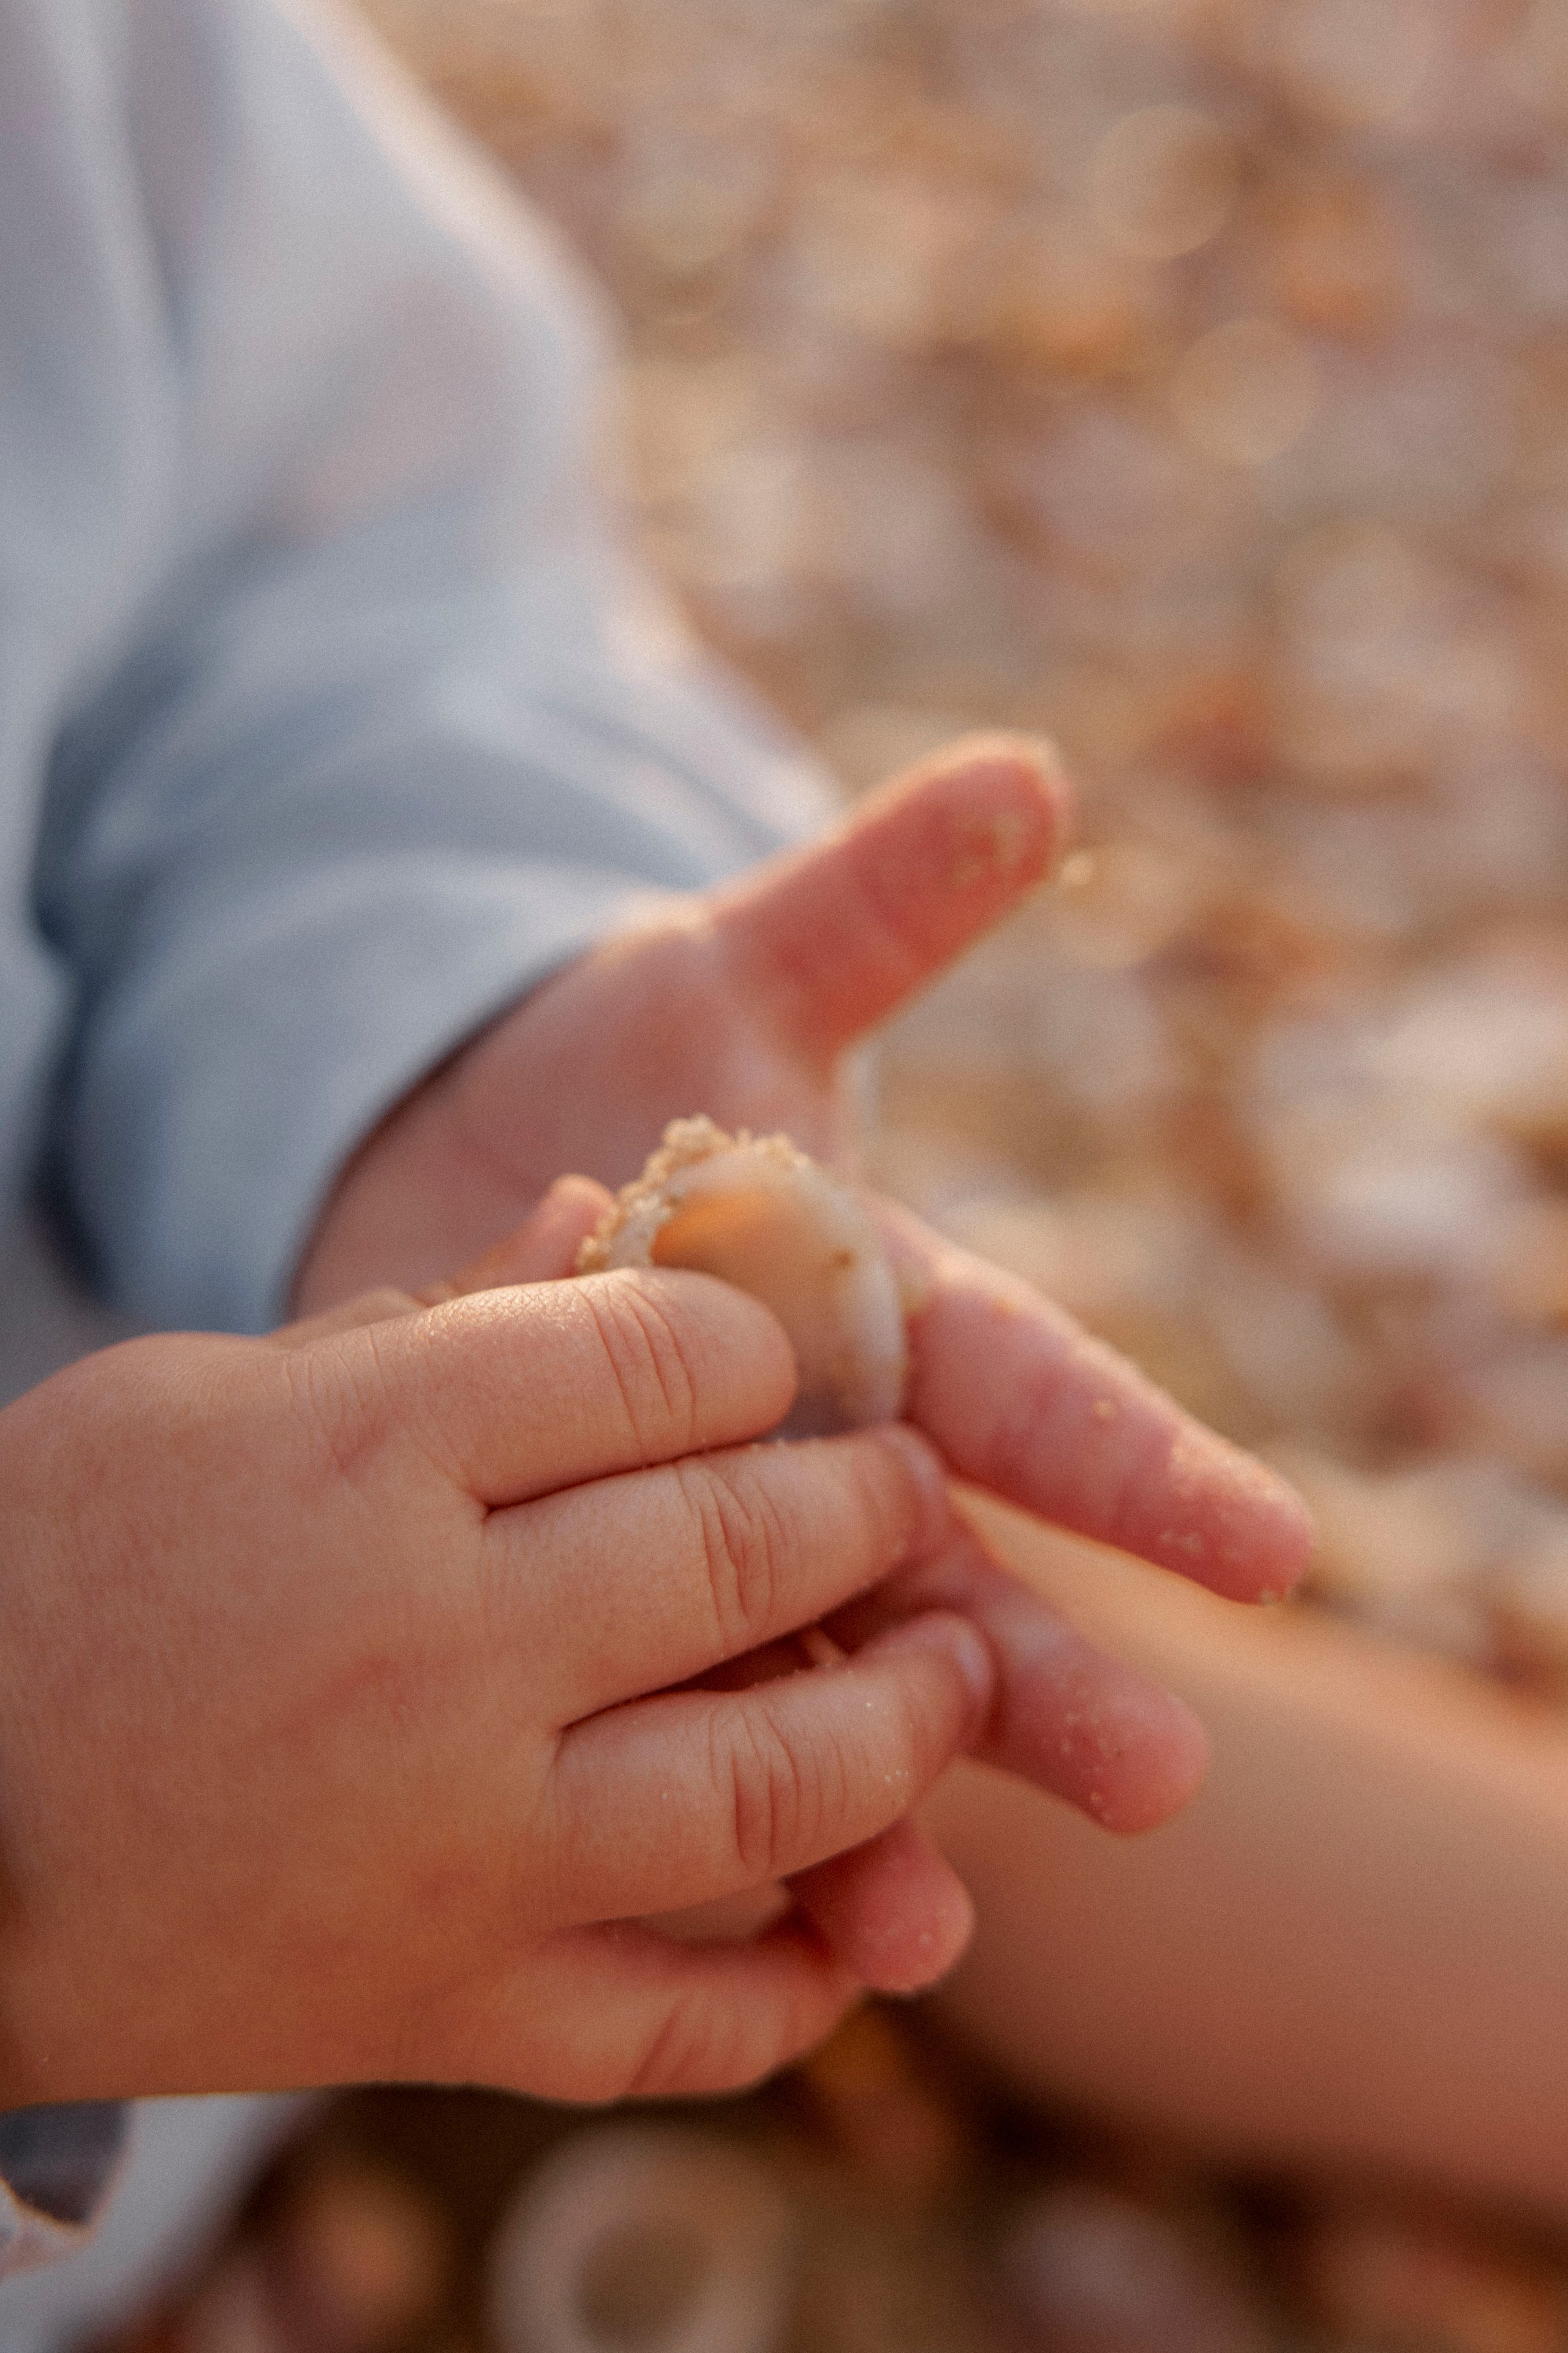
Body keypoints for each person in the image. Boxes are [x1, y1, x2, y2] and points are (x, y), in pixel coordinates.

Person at [0, 0, 1319, 2342]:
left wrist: (413, 1044)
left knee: (936, 1645)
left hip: (283, 1553)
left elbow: (307, 583)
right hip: (122, 1964)